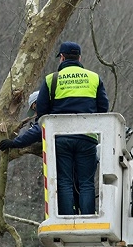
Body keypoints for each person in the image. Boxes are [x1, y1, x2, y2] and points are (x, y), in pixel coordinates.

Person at [34, 41, 109, 215]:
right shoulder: (94, 78)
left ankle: (68, 218)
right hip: (87, 137)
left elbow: (42, 111)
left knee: (65, 181)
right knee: (86, 183)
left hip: (60, 138)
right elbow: (103, 108)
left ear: (62, 57)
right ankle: (89, 217)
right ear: (80, 57)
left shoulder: (51, 79)